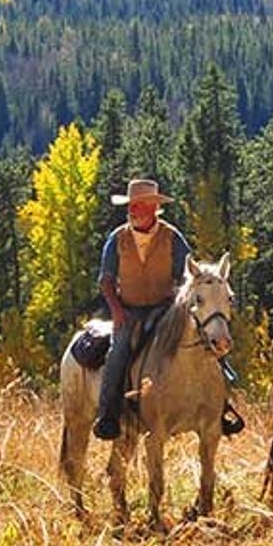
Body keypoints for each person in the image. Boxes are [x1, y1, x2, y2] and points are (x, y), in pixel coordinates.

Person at [93, 179, 192, 440]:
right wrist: (116, 310)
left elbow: (189, 275)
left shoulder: (172, 237)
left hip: (164, 309)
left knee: (200, 341)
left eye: (137, 205)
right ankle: (109, 416)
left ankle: (216, 407)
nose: (132, 211)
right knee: (118, 352)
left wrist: (178, 300)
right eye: (130, 206)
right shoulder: (118, 238)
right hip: (129, 310)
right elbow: (105, 280)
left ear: (152, 207)